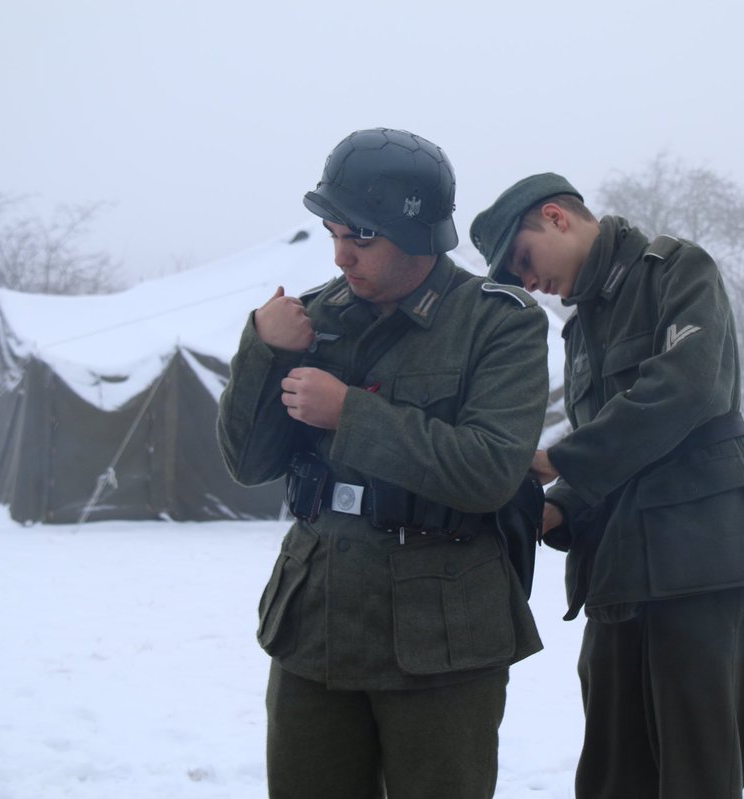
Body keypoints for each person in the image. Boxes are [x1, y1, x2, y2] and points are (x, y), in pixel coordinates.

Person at [217, 129, 550, 799]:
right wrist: (263, 350)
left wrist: (351, 414)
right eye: (334, 234)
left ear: (419, 233)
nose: (341, 255)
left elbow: (489, 469)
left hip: (442, 631)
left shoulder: (499, 324)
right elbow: (247, 464)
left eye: (361, 238)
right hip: (318, 621)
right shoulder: (313, 317)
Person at [470, 173, 744, 798]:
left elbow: (690, 389)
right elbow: (611, 449)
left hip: (704, 557)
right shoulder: (578, 331)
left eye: (523, 258)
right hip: (620, 571)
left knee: (698, 773)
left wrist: (560, 461)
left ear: (556, 217)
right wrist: (558, 508)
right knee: (610, 777)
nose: (527, 281)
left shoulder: (676, 271)